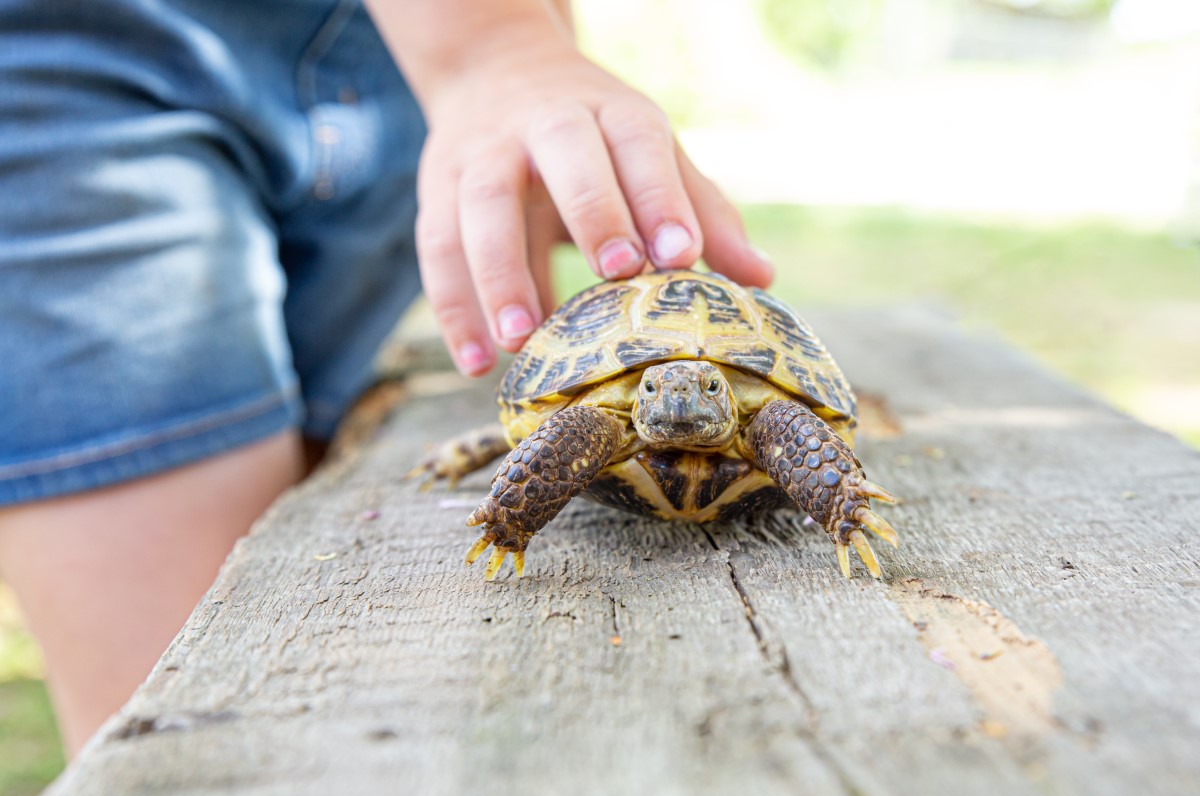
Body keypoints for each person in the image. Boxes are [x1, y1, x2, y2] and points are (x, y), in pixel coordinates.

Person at [0, 0, 773, 757]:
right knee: (191, 716)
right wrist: (494, 44)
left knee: (319, 540)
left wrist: (537, 40)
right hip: (91, 68)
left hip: (396, 76)